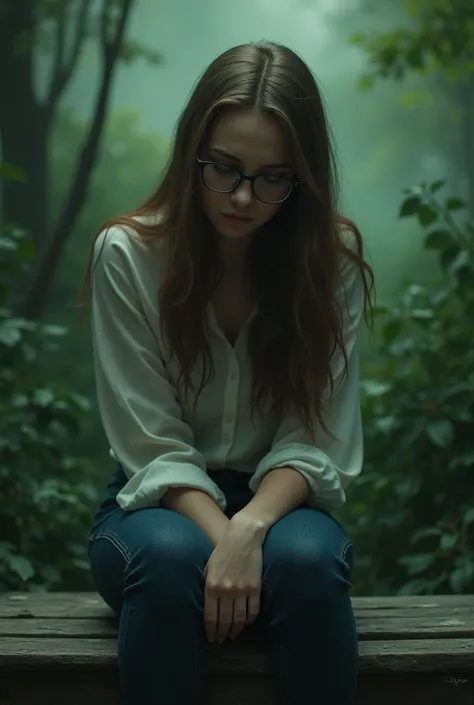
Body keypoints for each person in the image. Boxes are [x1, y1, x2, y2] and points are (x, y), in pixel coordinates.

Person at [85, 41, 374, 705]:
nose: (244, 196)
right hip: (155, 501)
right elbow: (150, 442)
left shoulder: (332, 263)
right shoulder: (128, 255)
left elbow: (318, 434)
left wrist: (250, 530)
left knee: (303, 562)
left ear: (303, 177)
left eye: (273, 177)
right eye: (224, 169)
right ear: (192, 153)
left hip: (284, 500)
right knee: (167, 561)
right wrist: (227, 542)